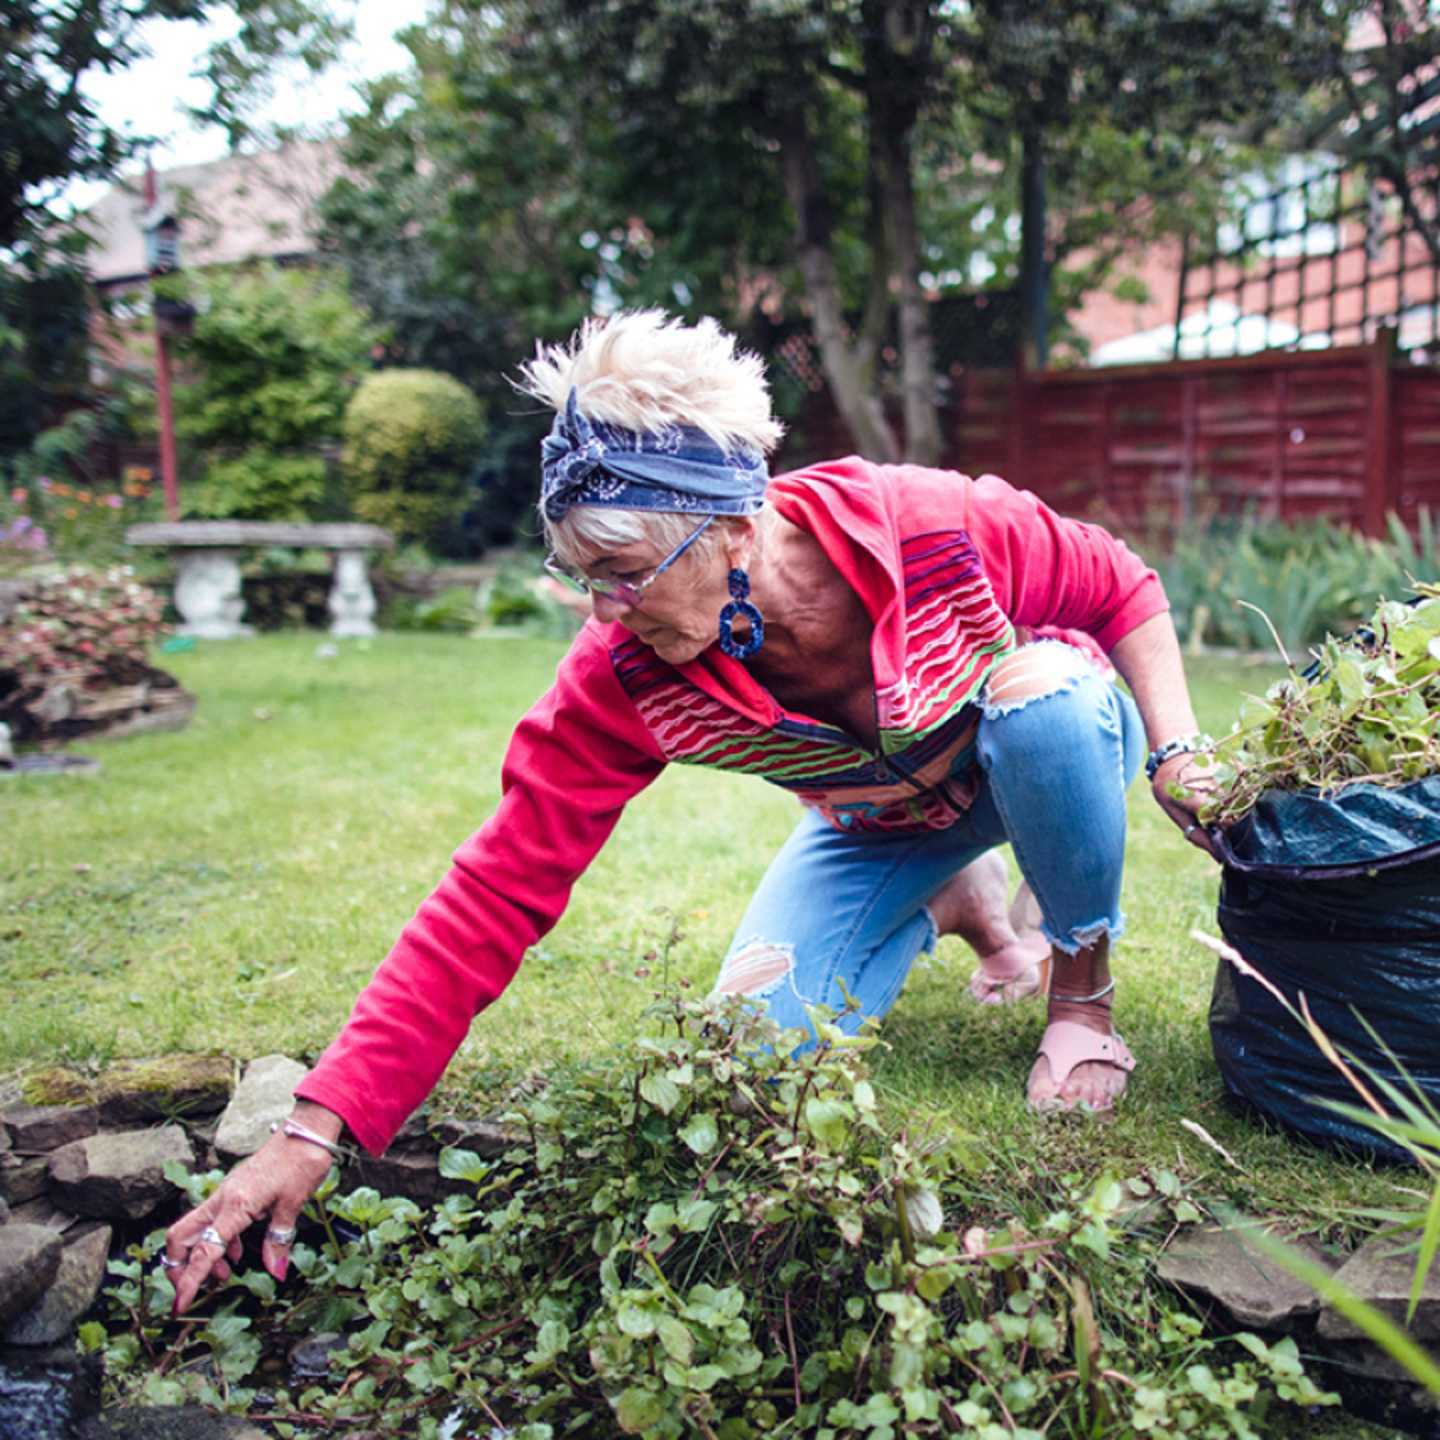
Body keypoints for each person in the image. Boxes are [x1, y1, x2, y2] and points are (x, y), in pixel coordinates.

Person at [164, 310, 1214, 1313]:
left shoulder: (929, 522)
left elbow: (1121, 588)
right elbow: (495, 888)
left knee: (1049, 705)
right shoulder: (622, 672)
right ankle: (962, 899)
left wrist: (1176, 753)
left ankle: (1079, 997)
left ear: (733, 527)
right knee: (749, 1064)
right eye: (579, 575)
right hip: (882, 820)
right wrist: (316, 1127)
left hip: (1038, 750)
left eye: (622, 573)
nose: (602, 610)